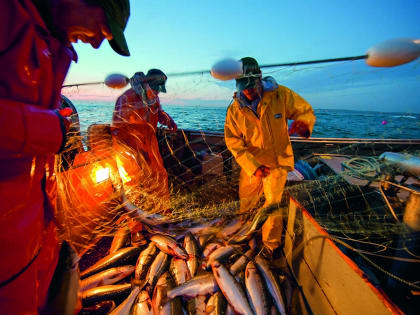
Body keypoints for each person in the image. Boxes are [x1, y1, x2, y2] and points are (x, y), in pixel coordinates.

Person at [0, 0, 130, 313]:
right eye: (103, 29)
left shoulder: (49, 44)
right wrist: (52, 128)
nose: (98, 43)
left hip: (31, 239)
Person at [224, 57, 316, 213]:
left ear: (260, 76)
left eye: (251, 86)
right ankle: (245, 235)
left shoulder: (281, 95)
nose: (248, 91)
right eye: (243, 87)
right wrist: (253, 166)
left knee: (272, 210)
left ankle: (270, 239)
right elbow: (233, 142)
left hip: (277, 165)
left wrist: (304, 125)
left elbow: (305, 111)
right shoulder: (234, 110)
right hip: (252, 167)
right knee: (246, 206)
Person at [112, 69, 177, 213]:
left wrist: (169, 121)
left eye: (159, 91)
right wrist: (133, 149)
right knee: (132, 183)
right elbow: (117, 129)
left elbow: (159, 112)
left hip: (149, 143)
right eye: (155, 89)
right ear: (147, 84)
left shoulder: (154, 98)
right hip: (127, 147)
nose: (157, 93)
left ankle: (163, 211)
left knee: (159, 175)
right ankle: (135, 226)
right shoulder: (127, 98)